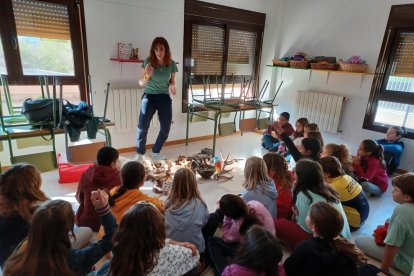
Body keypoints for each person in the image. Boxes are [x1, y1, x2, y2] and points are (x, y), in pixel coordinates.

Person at [3, 190, 117, 275]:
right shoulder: (74, 259)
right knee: (109, 264)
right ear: (67, 230)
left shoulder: (19, 253)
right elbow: (112, 238)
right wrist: (104, 210)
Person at [95, 201, 199, 276]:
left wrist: (174, 242)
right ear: (158, 230)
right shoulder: (170, 252)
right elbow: (194, 257)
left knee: (106, 265)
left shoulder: (118, 249)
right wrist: (177, 245)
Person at [275, 159, 351, 248]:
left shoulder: (304, 194)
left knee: (278, 223)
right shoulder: (328, 188)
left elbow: (305, 227)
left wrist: (296, 216)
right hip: (343, 237)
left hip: (327, 243)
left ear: (301, 177)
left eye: (295, 173)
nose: (293, 174)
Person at [284, 201, 369, 276]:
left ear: (314, 227)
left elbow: (288, 268)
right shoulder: (345, 246)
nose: (307, 215)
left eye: (308, 215)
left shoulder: (304, 248)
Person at [355, 174, 414, 275]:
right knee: (389, 220)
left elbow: (392, 245)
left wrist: (383, 269)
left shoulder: (403, 210)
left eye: (395, 190)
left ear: (407, 197)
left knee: (359, 240)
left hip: (409, 262)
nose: (392, 191)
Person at [207, 194, 275, 276]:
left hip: (256, 257)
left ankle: (222, 272)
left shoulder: (238, 226)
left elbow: (226, 237)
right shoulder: (254, 204)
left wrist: (224, 215)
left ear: (230, 215)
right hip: (270, 246)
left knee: (212, 241)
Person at [136, 37, 178, 160]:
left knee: (166, 128)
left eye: (161, 49)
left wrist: (172, 86)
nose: (159, 52)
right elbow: (140, 83)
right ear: (153, 50)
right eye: (156, 49)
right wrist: (147, 76)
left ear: (166, 50)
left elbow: (172, 81)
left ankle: (155, 152)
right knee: (142, 127)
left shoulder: (172, 64)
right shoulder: (148, 62)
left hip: (164, 97)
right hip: (149, 96)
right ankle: (140, 154)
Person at [0, 164, 48, 268]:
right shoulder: (39, 212)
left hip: (9, 269)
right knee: (85, 231)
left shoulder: (5, 212)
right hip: (38, 268)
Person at [76, 147, 121, 231]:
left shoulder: (85, 174)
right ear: (112, 164)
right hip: (110, 223)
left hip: (87, 223)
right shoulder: (120, 177)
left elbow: (79, 198)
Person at [165, 168, 209, 254]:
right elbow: (204, 223)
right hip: (195, 252)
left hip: (172, 251)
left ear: (174, 184)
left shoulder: (167, 204)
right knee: (214, 218)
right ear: (194, 184)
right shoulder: (200, 204)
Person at [319, 156, 369, 231]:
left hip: (353, 225)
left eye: (319, 171)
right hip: (362, 217)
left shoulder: (333, 187)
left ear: (327, 174)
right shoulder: (346, 177)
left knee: (321, 211)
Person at [263, 152, 294, 219]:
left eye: (273, 169)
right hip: (289, 212)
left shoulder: (271, 181)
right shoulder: (288, 173)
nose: (269, 172)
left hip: (278, 214)